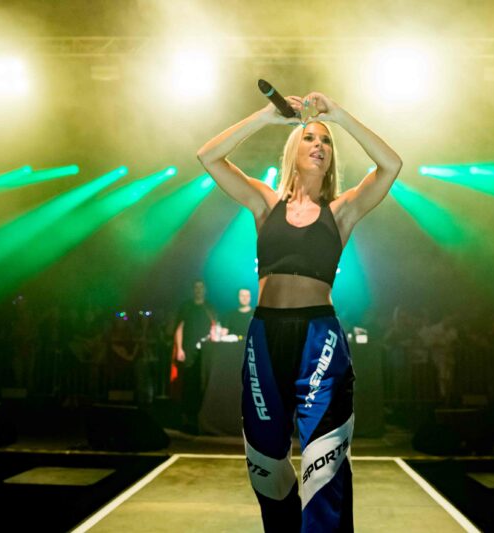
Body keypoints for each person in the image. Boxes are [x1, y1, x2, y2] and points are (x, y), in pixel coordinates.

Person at [197, 91, 402, 532]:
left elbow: (391, 165)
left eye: (326, 141)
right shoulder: (265, 204)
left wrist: (339, 115)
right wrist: (265, 116)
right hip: (265, 336)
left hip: (318, 337)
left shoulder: (341, 212)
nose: (319, 145)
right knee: (266, 465)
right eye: (310, 137)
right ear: (293, 148)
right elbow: (208, 157)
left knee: (322, 465)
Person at [172, 279, 217, 434]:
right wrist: (179, 349)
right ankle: (186, 418)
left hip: (205, 352)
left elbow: (215, 327)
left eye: (201, 287)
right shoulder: (186, 306)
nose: (199, 290)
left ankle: (200, 418)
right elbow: (179, 328)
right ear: (193, 290)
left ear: (205, 290)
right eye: (196, 287)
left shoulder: (209, 307)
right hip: (188, 350)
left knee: (203, 384)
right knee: (188, 384)